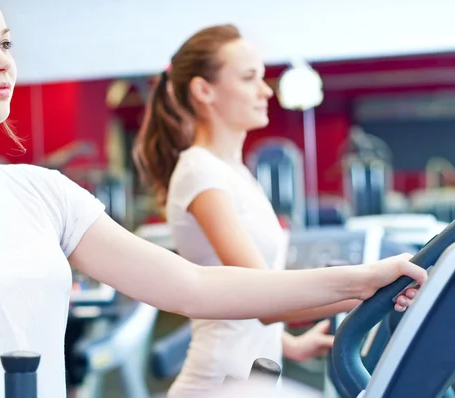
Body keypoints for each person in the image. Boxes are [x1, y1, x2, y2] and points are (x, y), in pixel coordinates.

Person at [0, 1, 423, 397]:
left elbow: (193, 285)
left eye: (5, 42)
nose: (3, 60)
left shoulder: (42, 193)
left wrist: (361, 280)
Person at [132, 24, 412, 397]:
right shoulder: (201, 172)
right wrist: (376, 287)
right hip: (217, 383)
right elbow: (261, 295)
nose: (266, 90)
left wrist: (290, 344)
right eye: (249, 78)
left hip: (251, 376)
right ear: (204, 90)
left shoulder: (233, 171)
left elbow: (245, 300)